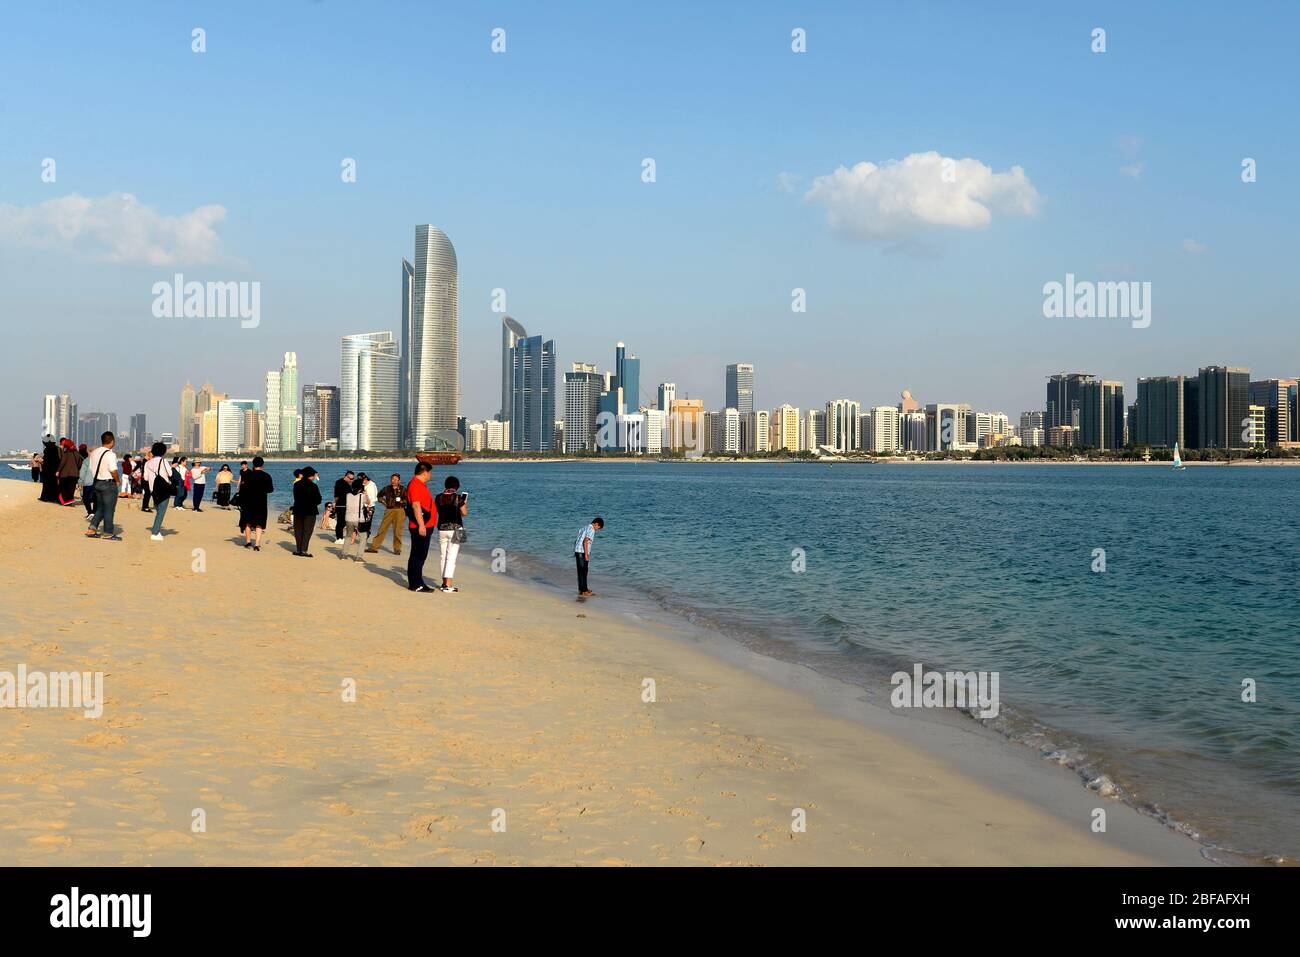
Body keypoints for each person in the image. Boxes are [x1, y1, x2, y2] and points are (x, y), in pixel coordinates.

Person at [434, 475, 469, 593]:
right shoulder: (458, 498)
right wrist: (465, 502)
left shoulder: (438, 497)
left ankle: (444, 583)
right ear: (457, 486)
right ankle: (448, 585)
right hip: (457, 528)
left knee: (443, 556)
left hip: (442, 528)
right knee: (452, 558)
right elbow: (464, 513)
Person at [85, 432, 121, 540]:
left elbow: (91, 469)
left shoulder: (94, 452)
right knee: (109, 509)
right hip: (108, 483)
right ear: (112, 441)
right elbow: (113, 470)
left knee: (100, 508)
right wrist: (118, 481)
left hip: (97, 482)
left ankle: (92, 529)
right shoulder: (110, 454)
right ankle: (108, 532)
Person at [406, 463, 435, 592]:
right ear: (425, 472)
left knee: (419, 555)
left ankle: (417, 582)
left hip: (425, 525)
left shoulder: (420, 485)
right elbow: (416, 506)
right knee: (418, 555)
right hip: (420, 526)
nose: (431, 475)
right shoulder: (415, 485)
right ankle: (416, 583)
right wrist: (422, 525)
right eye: (430, 472)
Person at [366, 473, 408, 555]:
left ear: (399, 481)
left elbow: (408, 500)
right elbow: (379, 496)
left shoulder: (403, 489)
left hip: (400, 510)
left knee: (398, 531)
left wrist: (401, 502)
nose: (394, 481)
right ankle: (374, 547)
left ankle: (397, 549)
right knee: (382, 529)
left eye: (396, 479)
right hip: (389, 510)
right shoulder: (387, 488)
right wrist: (385, 503)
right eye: (392, 479)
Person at [237, 457, 274, 551]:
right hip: (261, 502)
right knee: (259, 523)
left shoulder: (248, 475)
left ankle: (248, 542)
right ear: (262, 465)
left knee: (248, 522)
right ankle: (257, 544)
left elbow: (243, 489)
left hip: (248, 502)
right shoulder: (267, 476)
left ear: (253, 464)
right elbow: (270, 489)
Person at [142, 442, 176, 540]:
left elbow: (146, 478)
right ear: (163, 452)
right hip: (164, 489)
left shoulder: (147, 463)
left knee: (158, 510)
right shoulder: (164, 461)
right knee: (161, 511)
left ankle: (157, 530)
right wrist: (172, 467)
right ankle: (155, 532)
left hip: (153, 490)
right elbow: (170, 474)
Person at [291, 467, 322, 557]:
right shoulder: (313, 486)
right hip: (310, 511)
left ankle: (298, 549)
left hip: (298, 509)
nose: (314, 477)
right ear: (310, 476)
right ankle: (304, 550)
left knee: (298, 530)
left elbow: (295, 497)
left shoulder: (296, 484)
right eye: (313, 475)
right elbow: (318, 499)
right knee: (307, 531)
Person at [340, 478, 370, 561]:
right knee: (363, 538)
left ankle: (344, 555)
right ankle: (359, 557)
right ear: (361, 488)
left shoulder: (348, 495)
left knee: (348, 536)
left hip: (348, 518)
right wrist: (366, 494)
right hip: (359, 519)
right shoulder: (362, 496)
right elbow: (368, 502)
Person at [574, 516, 604, 597]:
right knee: (584, 571)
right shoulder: (591, 529)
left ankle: (583, 589)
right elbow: (585, 541)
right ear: (596, 524)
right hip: (582, 552)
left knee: (581, 572)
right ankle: (584, 591)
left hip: (578, 551)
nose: (597, 529)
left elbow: (578, 538)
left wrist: (577, 549)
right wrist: (586, 555)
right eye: (598, 527)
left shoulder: (585, 527)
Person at [332, 470, 355, 545]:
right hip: (340, 505)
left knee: (344, 522)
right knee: (340, 522)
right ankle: (339, 538)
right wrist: (334, 503)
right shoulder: (339, 482)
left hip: (346, 505)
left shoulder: (348, 484)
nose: (352, 480)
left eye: (353, 479)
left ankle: (340, 537)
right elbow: (336, 494)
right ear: (346, 476)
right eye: (351, 479)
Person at [57, 439, 81, 505]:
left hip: (65, 474)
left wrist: (58, 470)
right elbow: (79, 464)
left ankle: (65, 501)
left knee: (63, 488)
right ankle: (69, 502)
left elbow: (62, 462)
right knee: (71, 489)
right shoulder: (77, 453)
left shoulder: (66, 453)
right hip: (75, 474)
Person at [39, 435, 60, 502]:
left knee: (47, 484)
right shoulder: (56, 448)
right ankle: (53, 498)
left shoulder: (48, 449)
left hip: (48, 470)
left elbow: (47, 460)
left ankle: (45, 497)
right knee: (53, 484)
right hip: (54, 469)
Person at [140, 448, 154, 513]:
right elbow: (143, 471)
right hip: (145, 479)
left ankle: (145, 506)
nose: (152, 456)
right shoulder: (146, 461)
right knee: (147, 493)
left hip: (147, 479)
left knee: (148, 493)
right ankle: (145, 507)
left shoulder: (147, 461)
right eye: (151, 455)